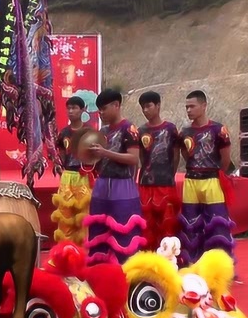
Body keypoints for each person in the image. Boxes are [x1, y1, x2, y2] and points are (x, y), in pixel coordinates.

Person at [84, 89, 146, 265]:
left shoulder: (129, 128)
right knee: (98, 228)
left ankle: (125, 271)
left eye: (104, 109)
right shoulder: (102, 131)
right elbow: (97, 159)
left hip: (122, 186)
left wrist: (104, 152)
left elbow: (133, 158)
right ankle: (99, 269)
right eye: (99, 110)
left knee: (123, 230)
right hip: (102, 184)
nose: (101, 113)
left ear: (116, 105)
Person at [178, 90, 235, 266]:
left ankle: (221, 265)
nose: (188, 110)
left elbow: (225, 159)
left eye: (192, 106)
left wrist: (215, 173)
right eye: (186, 107)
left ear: (204, 106)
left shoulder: (218, 129)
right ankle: (192, 263)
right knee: (190, 224)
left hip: (212, 181)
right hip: (191, 181)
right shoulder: (185, 131)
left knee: (217, 223)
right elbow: (185, 153)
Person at [137, 91, 181, 250]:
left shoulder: (170, 129)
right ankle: (149, 259)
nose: (146, 110)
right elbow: (142, 157)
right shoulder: (141, 130)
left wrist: (169, 174)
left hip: (166, 183)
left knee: (167, 222)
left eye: (148, 106)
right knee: (147, 224)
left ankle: (169, 258)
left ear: (158, 105)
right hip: (146, 183)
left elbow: (176, 155)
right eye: (143, 108)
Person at [51, 96, 94, 246]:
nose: (71, 111)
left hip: (84, 176)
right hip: (67, 176)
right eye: (68, 108)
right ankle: (65, 251)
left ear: (82, 110)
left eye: (74, 108)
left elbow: (95, 155)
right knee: (65, 214)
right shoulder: (64, 133)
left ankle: (83, 252)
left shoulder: (89, 132)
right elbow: (61, 153)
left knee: (83, 216)